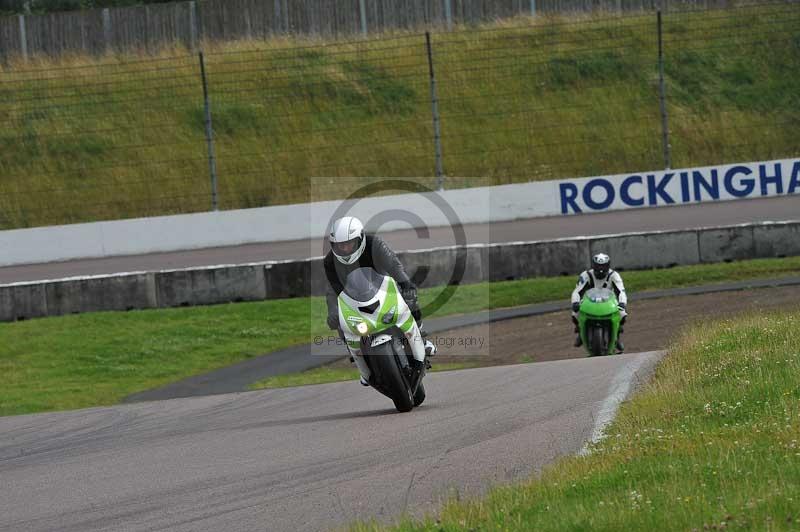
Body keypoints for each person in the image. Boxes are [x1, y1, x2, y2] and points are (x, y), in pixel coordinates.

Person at [324, 216, 436, 386]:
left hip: (384, 289)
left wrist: (406, 283)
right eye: (340, 245)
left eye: (349, 243)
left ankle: (421, 336)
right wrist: (333, 311)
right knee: (340, 319)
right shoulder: (329, 261)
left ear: (360, 238)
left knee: (410, 298)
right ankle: (358, 358)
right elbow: (332, 291)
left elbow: (394, 265)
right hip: (355, 299)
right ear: (333, 245)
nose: (345, 249)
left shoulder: (374, 244)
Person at [571, 252, 628, 352]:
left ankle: (617, 336)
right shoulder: (586, 275)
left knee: (622, 314)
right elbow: (577, 291)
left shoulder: (614, 275)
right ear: (593, 266)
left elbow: (621, 291)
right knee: (575, 314)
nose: (600, 269)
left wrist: (622, 303)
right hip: (589, 303)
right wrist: (575, 302)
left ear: (608, 266)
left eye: (603, 266)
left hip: (609, 303)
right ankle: (580, 332)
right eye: (598, 266)